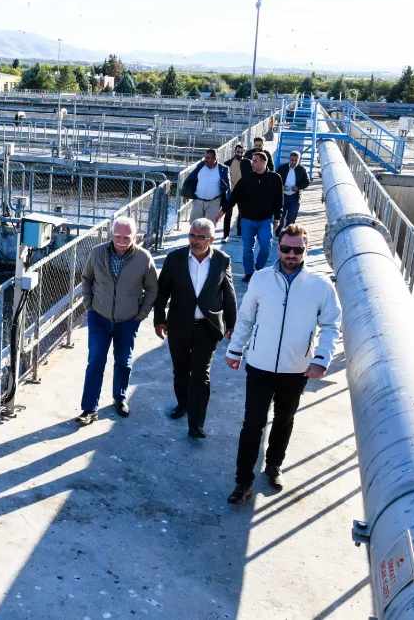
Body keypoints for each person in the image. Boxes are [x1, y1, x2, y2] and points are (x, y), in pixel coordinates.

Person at [224, 224, 342, 504]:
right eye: (286, 249)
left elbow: (331, 325)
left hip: (296, 369)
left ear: (306, 249)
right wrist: (235, 350)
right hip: (260, 365)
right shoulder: (262, 279)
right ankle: (243, 482)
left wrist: (321, 359)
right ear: (278, 247)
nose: (291, 254)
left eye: (298, 250)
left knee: (284, 420)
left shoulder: (320, 285)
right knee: (252, 423)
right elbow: (246, 318)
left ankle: (274, 465)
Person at [153, 218, 237, 439]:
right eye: (192, 235)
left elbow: (229, 294)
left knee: (201, 374)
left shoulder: (222, 260)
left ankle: (197, 423)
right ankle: (182, 404)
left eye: (200, 237)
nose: (195, 241)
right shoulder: (175, 259)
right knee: (180, 370)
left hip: (208, 327)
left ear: (211, 239)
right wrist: (159, 320)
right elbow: (162, 293)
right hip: (179, 325)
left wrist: (232, 324)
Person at [77, 216, 159, 425]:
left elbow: (152, 288)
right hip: (99, 317)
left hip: (127, 320)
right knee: (95, 361)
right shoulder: (97, 253)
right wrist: (89, 305)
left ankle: (119, 397)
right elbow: (87, 278)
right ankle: (89, 409)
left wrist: (141, 315)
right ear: (111, 235)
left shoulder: (144, 258)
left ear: (135, 236)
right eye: (117, 237)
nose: (121, 241)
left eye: (126, 237)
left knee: (123, 361)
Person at [226, 152, 282, 283]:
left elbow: (279, 199)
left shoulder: (275, 178)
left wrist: (277, 217)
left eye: (255, 161)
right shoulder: (247, 178)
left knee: (265, 246)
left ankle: (259, 267)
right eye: (252, 160)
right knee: (247, 249)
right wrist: (223, 210)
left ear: (264, 162)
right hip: (247, 220)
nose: (252, 163)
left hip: (265, 220)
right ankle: (249, 272)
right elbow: (235, 196)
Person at [180, 149, 230, 225]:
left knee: (210, 228)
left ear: (214, 159)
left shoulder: (223, 169)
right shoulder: (200, 166)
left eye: (208, 158)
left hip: (214, 202)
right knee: (195, 226)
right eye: (205, 157)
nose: (205, 160)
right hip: (198, 202)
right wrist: (186, 194)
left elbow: (228, 188)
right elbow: (190, 180)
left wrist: (224, 208)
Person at [275, 151, 310, 232]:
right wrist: (281, 186)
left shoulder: (302, 170)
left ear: (298, 160)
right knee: (280, 217)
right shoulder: (282, 168)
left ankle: (288, 235)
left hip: (295, 197)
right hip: (282, 196)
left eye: (296, 160)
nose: (293, 162)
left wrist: (298, 187)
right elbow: (275, 180)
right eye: (292, 160)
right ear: (289, 159)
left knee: (291, 219)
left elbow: (307, 182)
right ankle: (277, 234)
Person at [222, 143, 247, 242]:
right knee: (228, 215)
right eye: (238, 152)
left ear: (244, 152)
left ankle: (239, 232)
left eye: (241, 152)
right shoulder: (228, 163)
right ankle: (225, 235)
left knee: (242, 213)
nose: (239, 154)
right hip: (230, 193)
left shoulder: (247, 163)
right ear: (234, 151)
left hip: (242, 194)